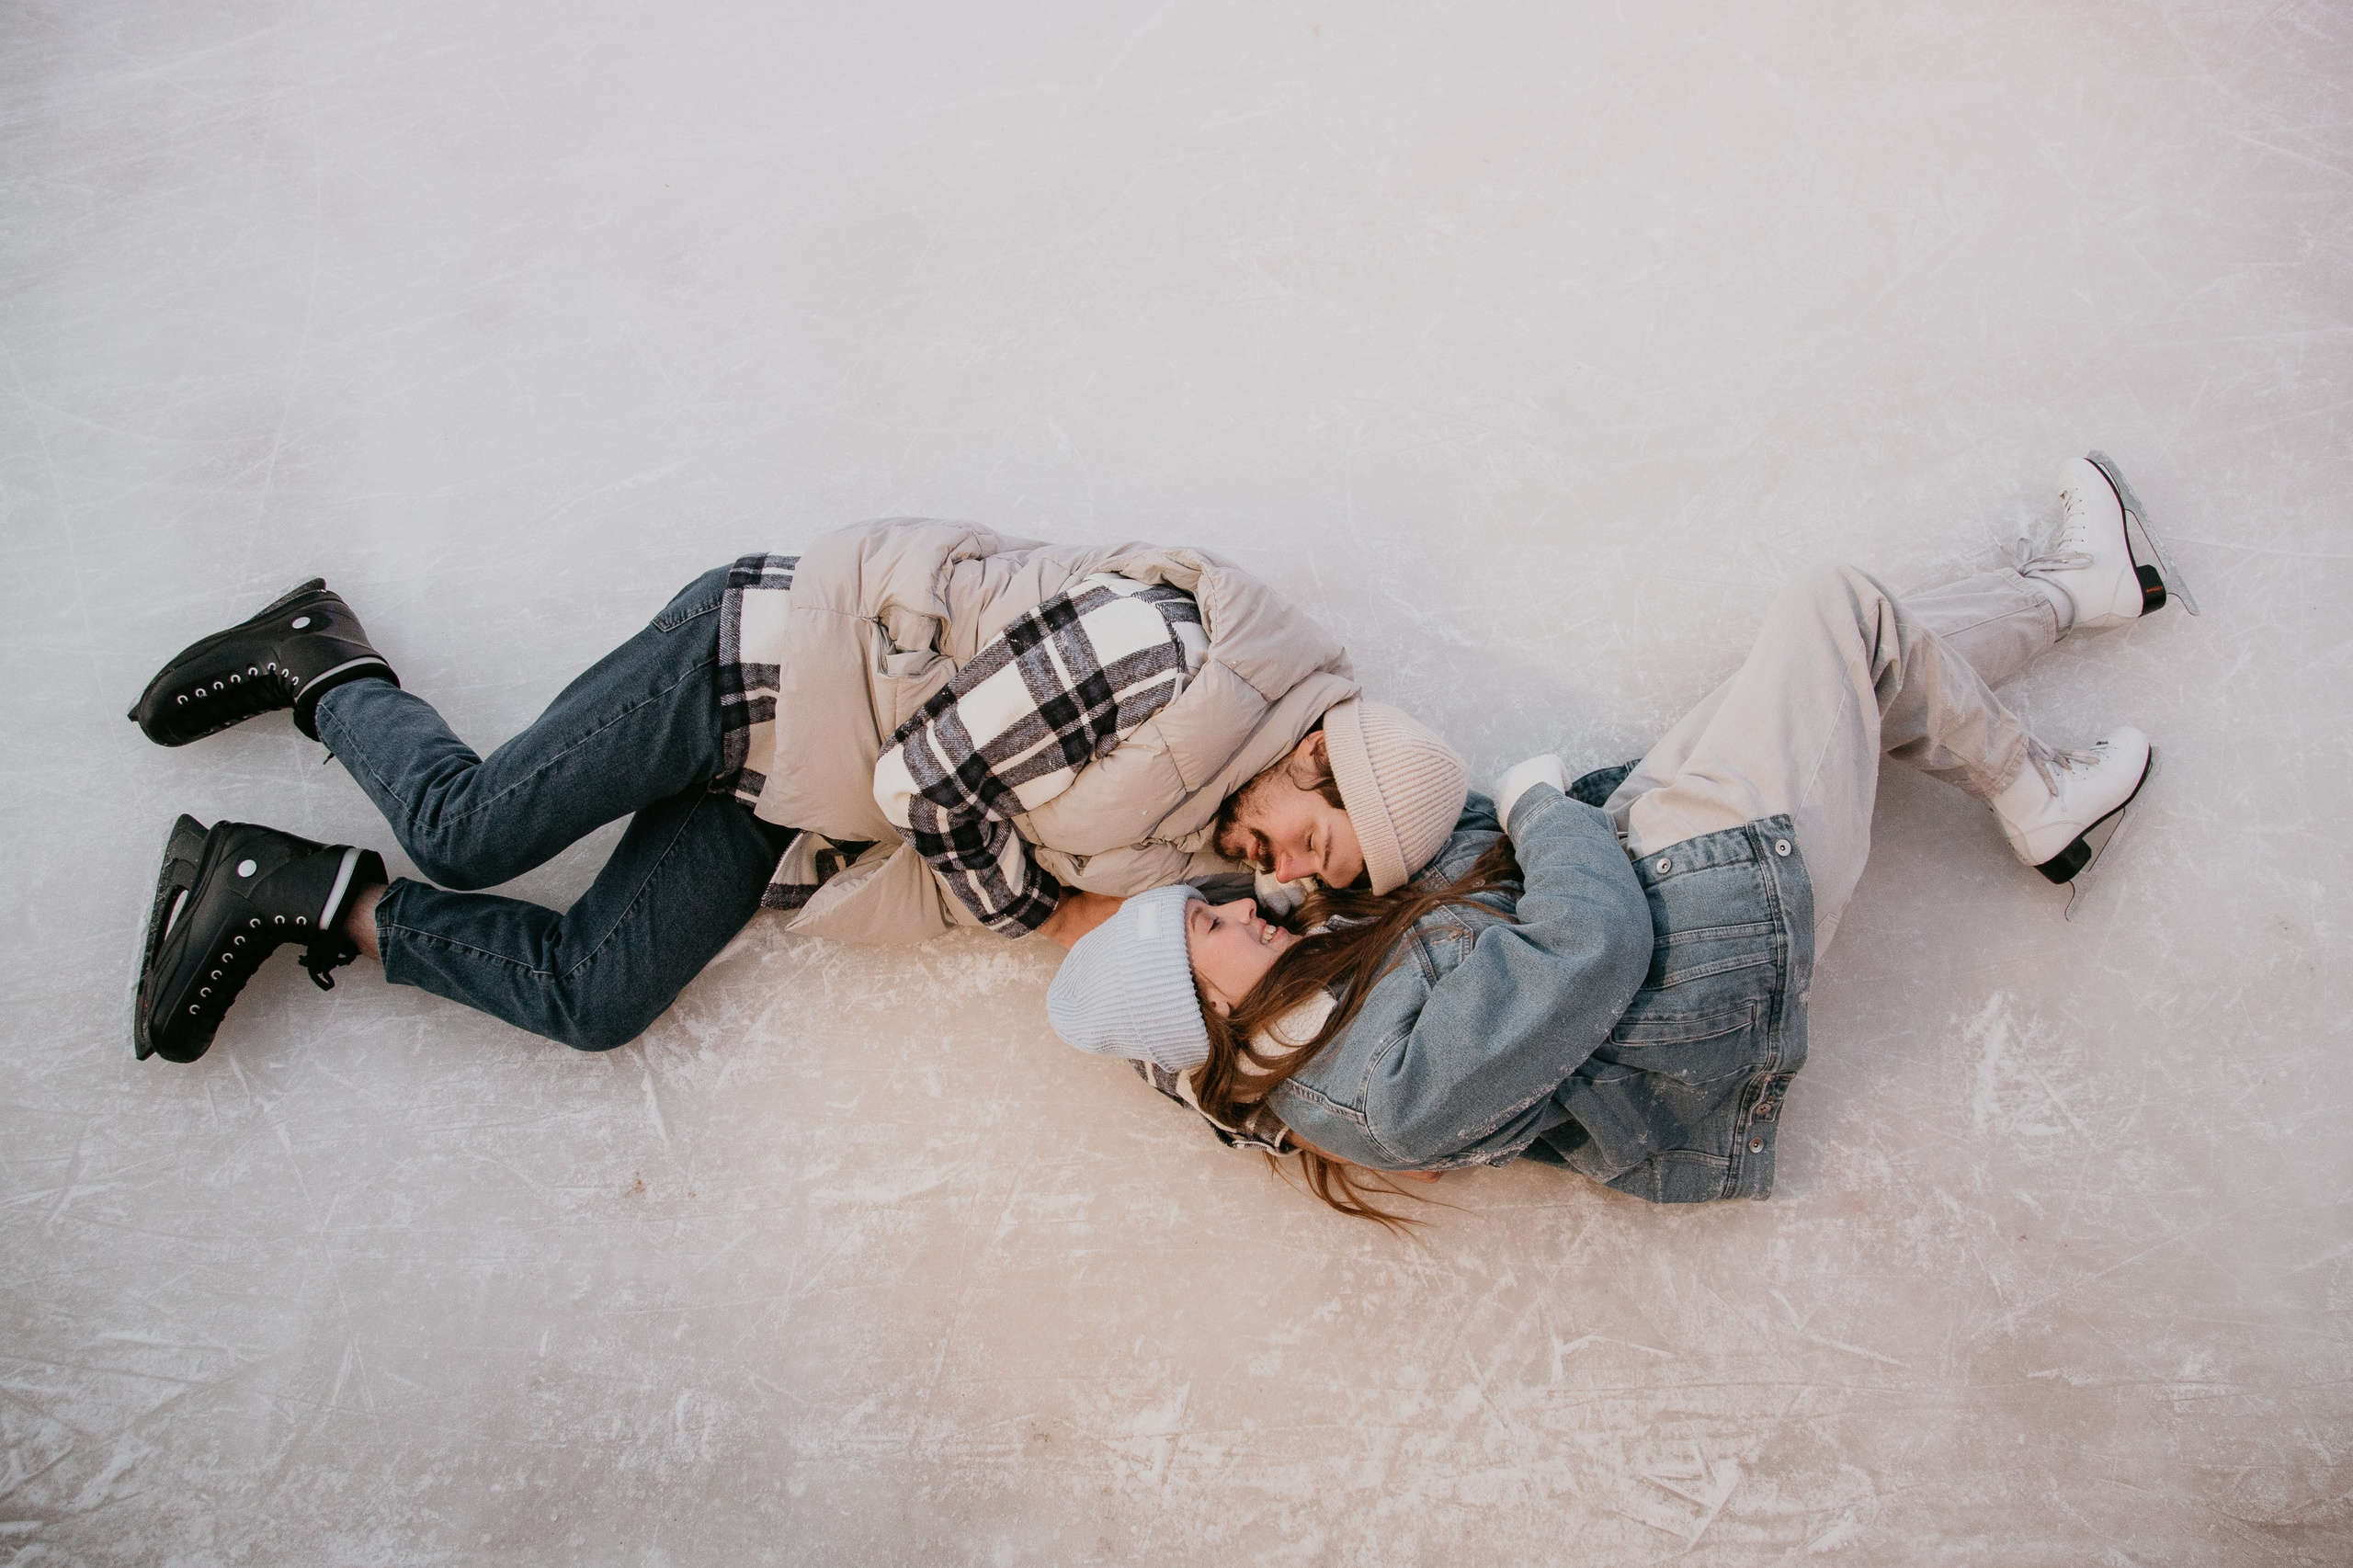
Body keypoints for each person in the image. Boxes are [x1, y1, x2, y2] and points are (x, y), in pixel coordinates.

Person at [1046, 453, 2194, 1220]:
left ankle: (2079, 588)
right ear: (1202, 1006)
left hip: (1654, 861)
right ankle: (2039, 793)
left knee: (1860, 664)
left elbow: (1437, 878)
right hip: (1706, 938)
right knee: (1835, 608)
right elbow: (1585, 948)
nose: (1249, 900)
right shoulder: (1374, 1088)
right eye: (1212, 922)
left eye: (1221, 895)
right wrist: (1542, 805)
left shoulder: (1306, 1008)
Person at [127, 519, 1470, 1063]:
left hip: (784, 790)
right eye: (1319, 847)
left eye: (1311, 888)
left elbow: (1152, 971)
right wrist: (1041, 915)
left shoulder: (1207, 815)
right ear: (1319, 757)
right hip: (747, 674)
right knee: (467, 828)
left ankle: (288, 888)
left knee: (597, 994)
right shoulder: (1161, 654)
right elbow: (927, 775)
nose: (1287, 875)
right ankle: (323, 659)